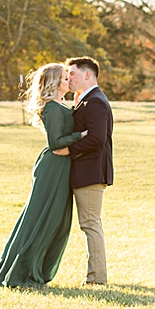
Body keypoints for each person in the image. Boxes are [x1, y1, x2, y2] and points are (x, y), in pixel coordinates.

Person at [0, 62, 85, 288]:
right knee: (42, 219)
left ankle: (34, 268)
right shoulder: (51, 108)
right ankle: (21, 272)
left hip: (60, 168)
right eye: (64, 77)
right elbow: (56, 144)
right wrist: (81, 136)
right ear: (55, 82)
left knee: (54, 221)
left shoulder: (60, 105)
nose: (69, 79)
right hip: (54, 168)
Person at [55, 56, 113, 286]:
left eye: (72, 74)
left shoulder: (96, 101)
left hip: (91, 172)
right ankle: (96, 277)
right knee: (89, 223)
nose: (69, 78)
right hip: (86, 171)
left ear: (87, 75)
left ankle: (96, 279)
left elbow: (97, 138)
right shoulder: (84, 100)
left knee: (90, 223)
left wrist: (69, 149)